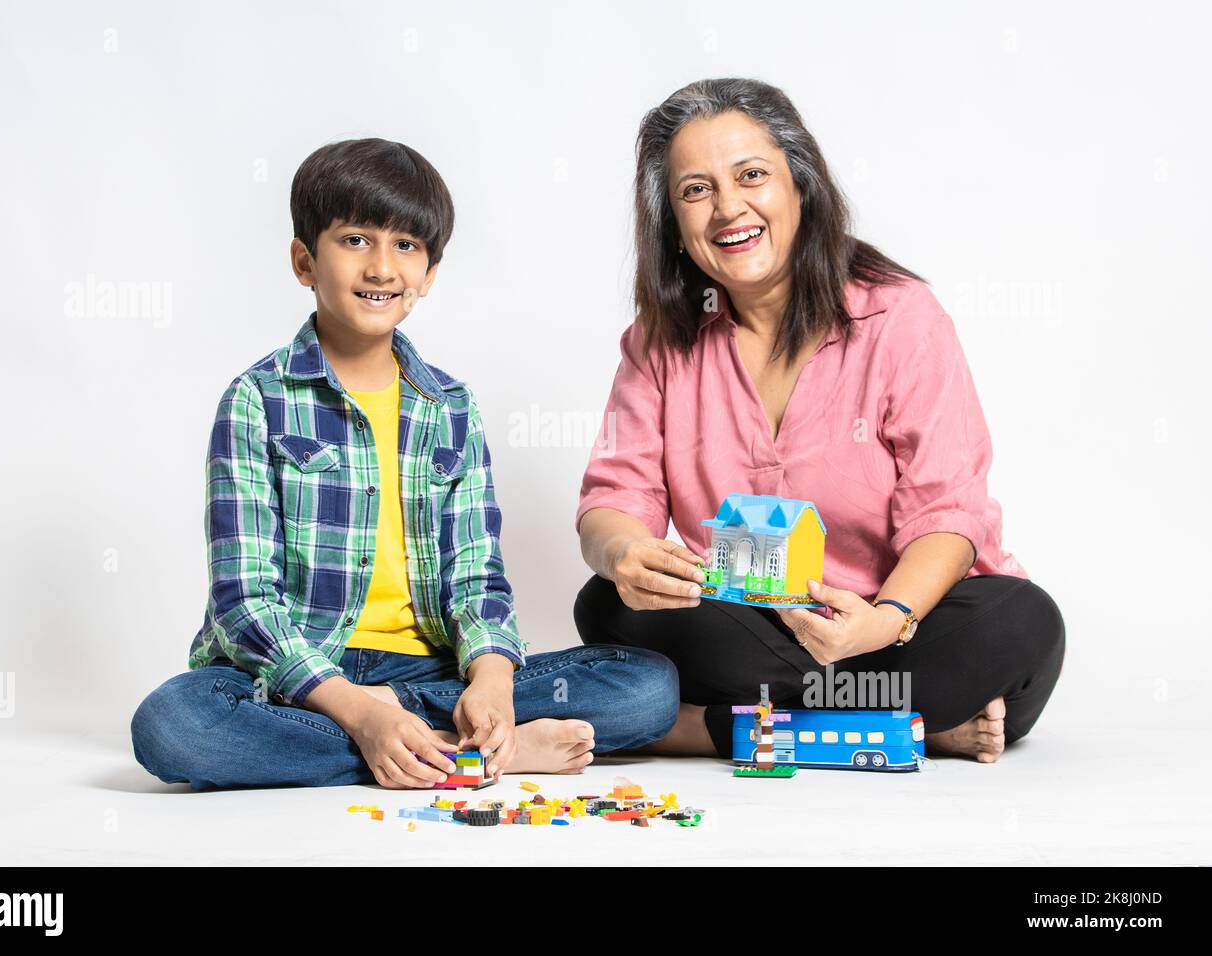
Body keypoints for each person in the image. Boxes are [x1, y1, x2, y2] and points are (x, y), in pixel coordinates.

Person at [131, 138, 678, 789]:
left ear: (430, 273)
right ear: (305, 261)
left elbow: (477, 577)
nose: (382, 267)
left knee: (647, 687)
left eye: (407, 246)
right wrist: (360, 712)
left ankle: (412, 736)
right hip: (293, 676)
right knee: (174, 725)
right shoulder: (258, 400)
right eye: (356, 240)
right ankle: (447, 750)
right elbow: (244, 604)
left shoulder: (449, 405)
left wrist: (494, 686)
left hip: (427, 674)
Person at [574, 78, 1065, 763]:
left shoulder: (900, 318)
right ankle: (906, 725)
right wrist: (626, 553)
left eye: (751, 176)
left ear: (801, 186)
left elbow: (949, 513)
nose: (728, 208)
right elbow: (613, 501)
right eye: (695, 190)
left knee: (1021, 622)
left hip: (903, 627)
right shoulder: (661, 342)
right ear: (673, 226)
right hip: (752, 628)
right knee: (609, 605)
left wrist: (884, 622)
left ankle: (708, 727)